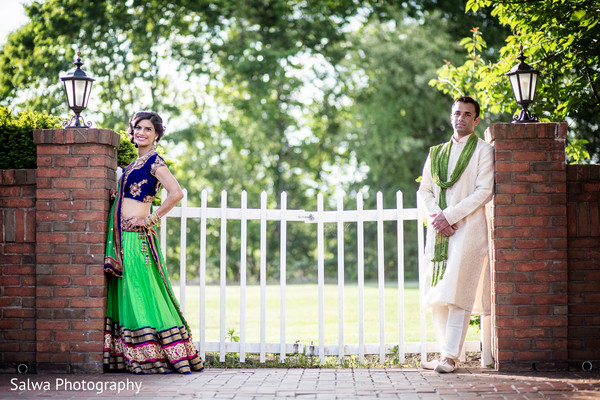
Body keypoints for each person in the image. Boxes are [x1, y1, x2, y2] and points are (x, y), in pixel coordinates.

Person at [103, 111, 204, 374]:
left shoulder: (154, 163)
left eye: (148, 129)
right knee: (126, 292)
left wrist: (150, 220)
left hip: (137, 237)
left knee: (141, 290)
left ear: (156, 134)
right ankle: (130, 354)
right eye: (138, 128)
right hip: (121, 236)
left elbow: (177, 193)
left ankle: (154, 353)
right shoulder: (132, 165)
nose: (141, 133)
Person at [417, 96, 494, 373]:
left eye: (466, 114)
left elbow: (485, 191)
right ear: (451, 116)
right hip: (439, 232)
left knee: (458, 291)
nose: (460, 118)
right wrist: (439, 218)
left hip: (469, 231)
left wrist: (449, 217)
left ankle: (450, 356)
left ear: (476, 120)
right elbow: (424, 191)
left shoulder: (483, 151)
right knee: (438, 293)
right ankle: (443, 355)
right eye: (456, 113)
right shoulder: (436, 152)